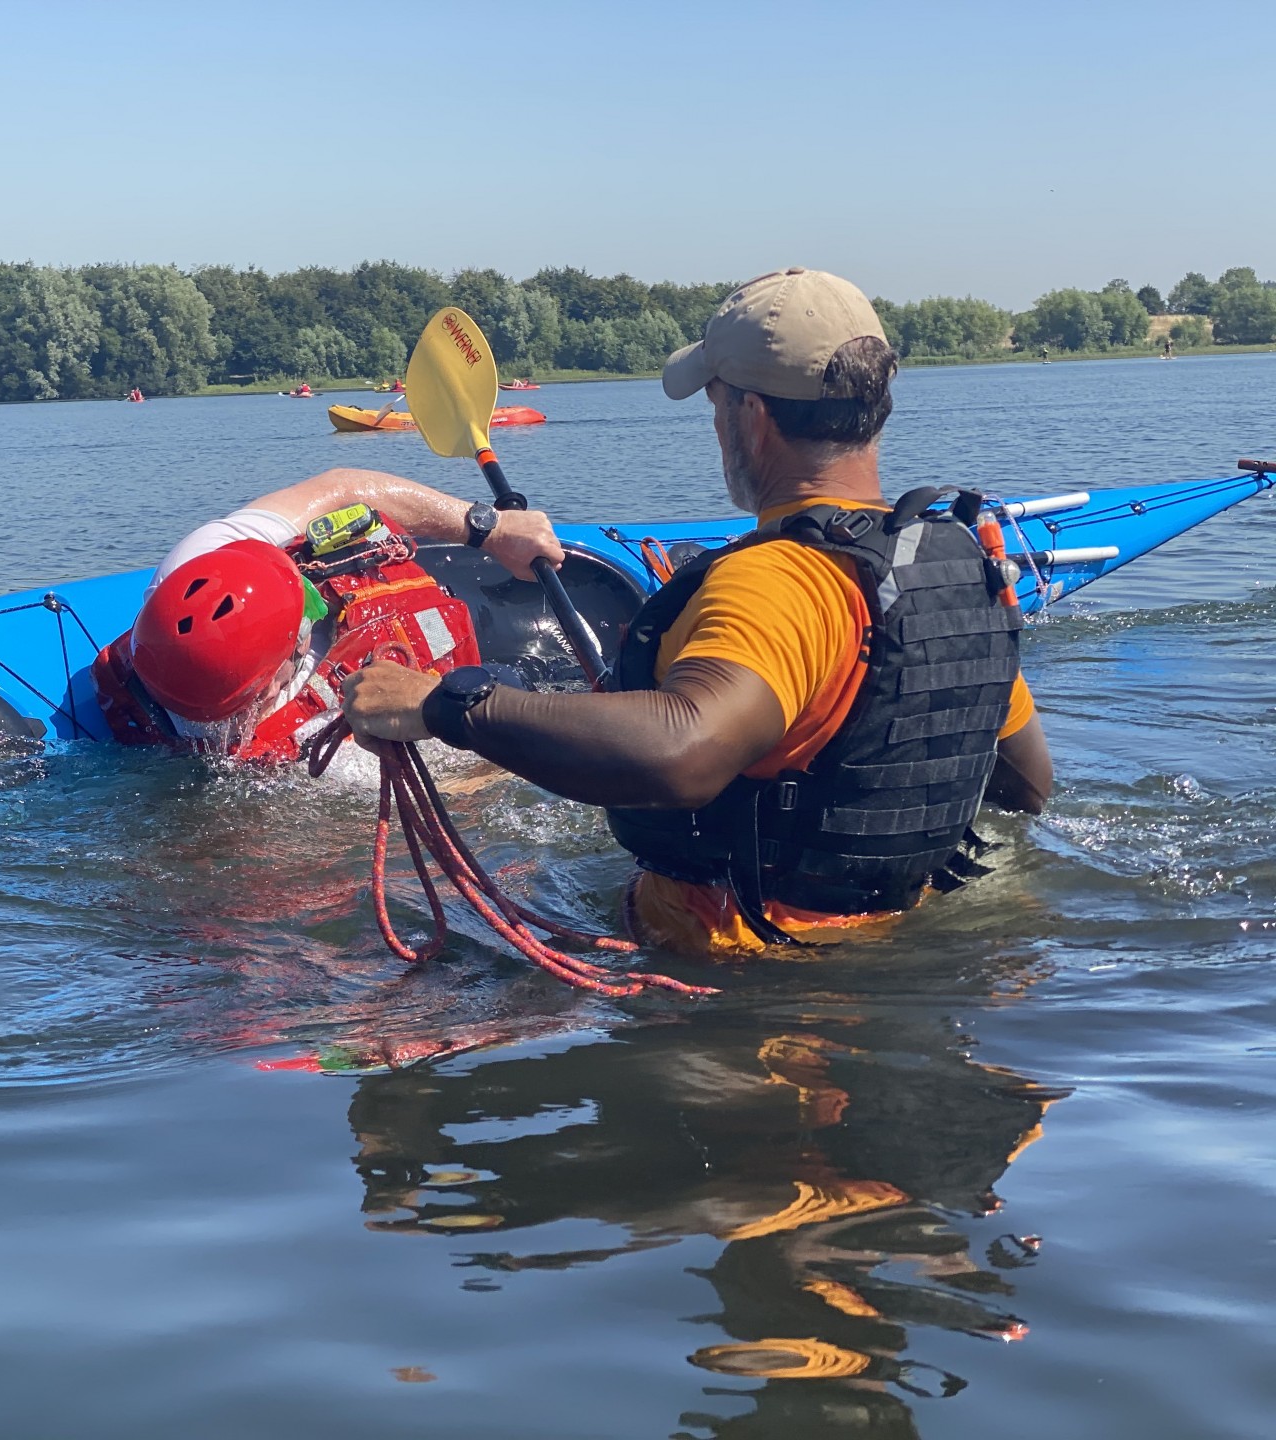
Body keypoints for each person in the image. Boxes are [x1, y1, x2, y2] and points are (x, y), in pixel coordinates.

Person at [344, 267, 1053, 957]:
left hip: (740, 973)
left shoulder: (773, 582)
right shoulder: (953, 569)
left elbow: (683, 749)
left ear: (751, 415)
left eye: (716, 404)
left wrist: (449, 706)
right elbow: (1027, 787)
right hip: (909, 953)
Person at [91, 468, 562, 762]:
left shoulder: (195, 562)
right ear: (269, 685)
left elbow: (343, 488)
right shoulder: (329, 750)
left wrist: (491, 528)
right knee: (500, 689)